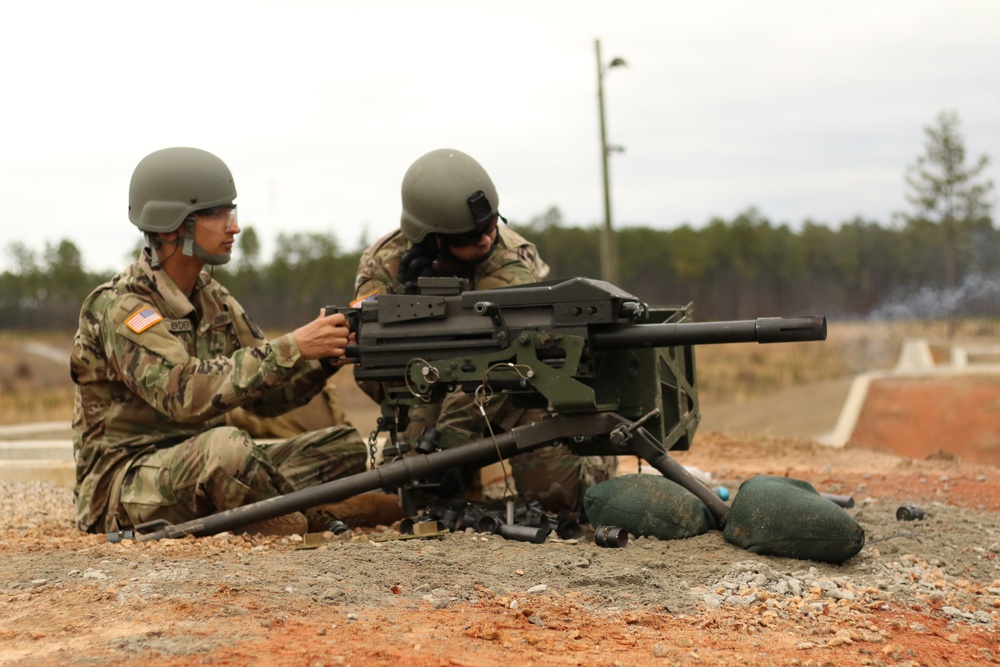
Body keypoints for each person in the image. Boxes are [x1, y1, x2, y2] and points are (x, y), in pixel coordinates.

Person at [70, 146, 371, 537]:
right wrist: (293, 346)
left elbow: (266, 401)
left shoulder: (214, 299)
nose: (233, 226)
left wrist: (324, 357)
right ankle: (309, 519)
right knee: (227, 451)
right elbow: (184, 394)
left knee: (345, 447)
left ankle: (269, 506)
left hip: (204, 465)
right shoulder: (120, 307)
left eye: (230, 211)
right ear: (168, 227)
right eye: (216, 214)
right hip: (123, 486)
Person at [354, 148, 616, 514]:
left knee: (559, 497)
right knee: (420, 492)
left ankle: (597, 453)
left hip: (522, 383)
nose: (486, 239)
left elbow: (509, 358)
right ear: (433, 239)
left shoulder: (508, 263)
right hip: (430, 388)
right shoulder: (384, 266)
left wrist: (452, 440)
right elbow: (372, 364)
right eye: (468, 236)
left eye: (492, 224)